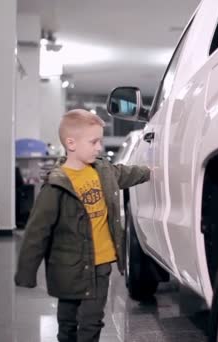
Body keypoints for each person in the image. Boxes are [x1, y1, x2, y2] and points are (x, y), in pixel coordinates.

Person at [14, 109, 150, 342]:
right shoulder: (57, 184)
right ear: (71, 143)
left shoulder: (103, 170)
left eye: (100, 141)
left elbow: (124, 173)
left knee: (92, 321)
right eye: (94, 142)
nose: (99, 147)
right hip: (68, 267)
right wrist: (26, 273)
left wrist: (148, 172)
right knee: (68, 321)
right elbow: (37, 231)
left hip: (101, 265)